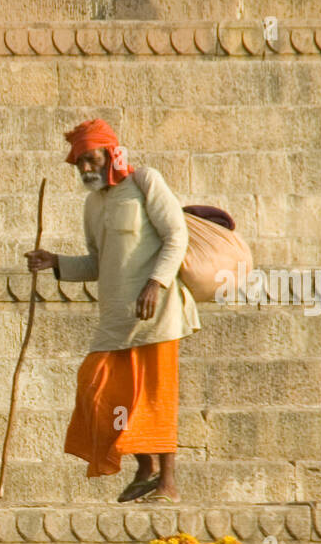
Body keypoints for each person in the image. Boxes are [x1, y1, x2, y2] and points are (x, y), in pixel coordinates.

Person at [26, 119, 199, 503]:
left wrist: (156, 282)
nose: (86, 169)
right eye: (79, 164)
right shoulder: (93, 204)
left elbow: (177, 235)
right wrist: (55, 262)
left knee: (156, 396)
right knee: (98, 389)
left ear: (109, 154)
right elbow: (97, 264)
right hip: (116, 318)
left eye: (90, 159)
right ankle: (144, 466)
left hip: (157, 312)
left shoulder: (144, 182)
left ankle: (167, 484)